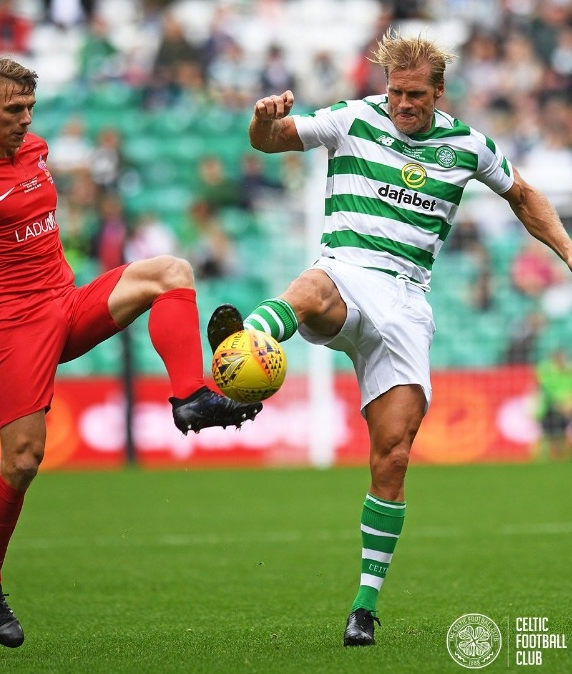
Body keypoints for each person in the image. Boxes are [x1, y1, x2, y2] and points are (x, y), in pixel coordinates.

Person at [207, 29, 572, 647]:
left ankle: (364, 606)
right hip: (345, 272)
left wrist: (567, 250)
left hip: (405, 304)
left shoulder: (469, 145)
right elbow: (270, 141)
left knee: (394, 457)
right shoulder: (352, 118)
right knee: (311, 288)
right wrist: (263, 119)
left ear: (439, 92)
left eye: (416, 95)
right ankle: (234, 368)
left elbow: (523, 194)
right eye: (396, 91)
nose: (403, 103)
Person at [0, 57, 261, 649]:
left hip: (67, 303)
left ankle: (190, 397)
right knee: (22, 461)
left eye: (30, 107)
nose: (25, 119)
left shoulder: (36, 150)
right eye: (13, 109)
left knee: (172, 271)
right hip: (14, 327)